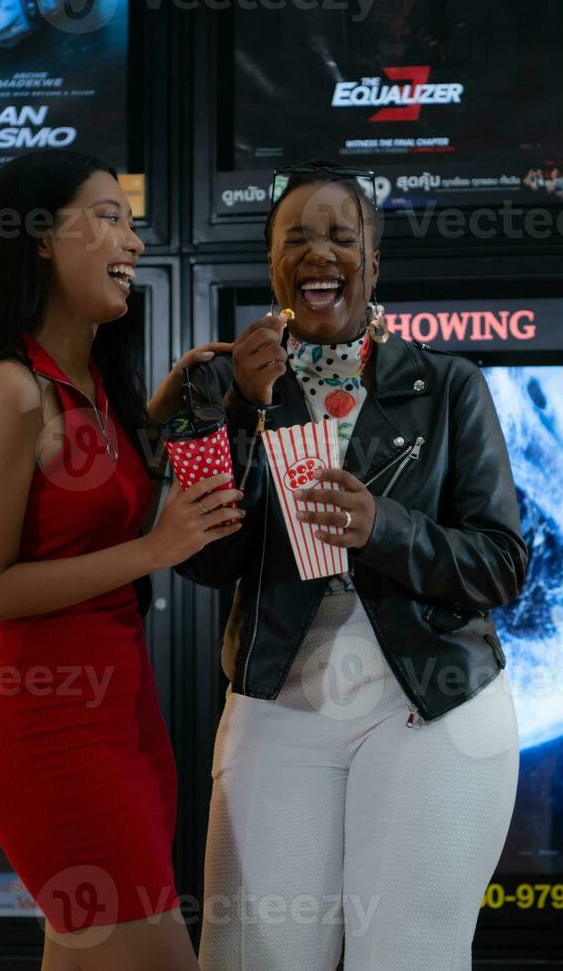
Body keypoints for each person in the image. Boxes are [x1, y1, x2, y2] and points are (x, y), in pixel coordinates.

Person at [175, 160, 525, 969]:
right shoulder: (219, 389)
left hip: (433, 703)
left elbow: (502, 564)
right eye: (296, 237)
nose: (318, 252)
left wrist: (384, 529)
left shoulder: (448, 385)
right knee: (247, 957)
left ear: (372, 265)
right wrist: (236, 412)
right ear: (272, 264)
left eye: (341, 236)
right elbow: (203, 559)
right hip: (277, 706)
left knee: (405, 956)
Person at [0, 150, 244, 969]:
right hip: (52, 737)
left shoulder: (97, 384)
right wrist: (154, 549)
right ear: (37, 238)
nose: (132, 242)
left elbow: (101, 500)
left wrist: (173, 403)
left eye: (131, 223)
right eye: (108, 217)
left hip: (126, 722)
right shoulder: (11, 388)